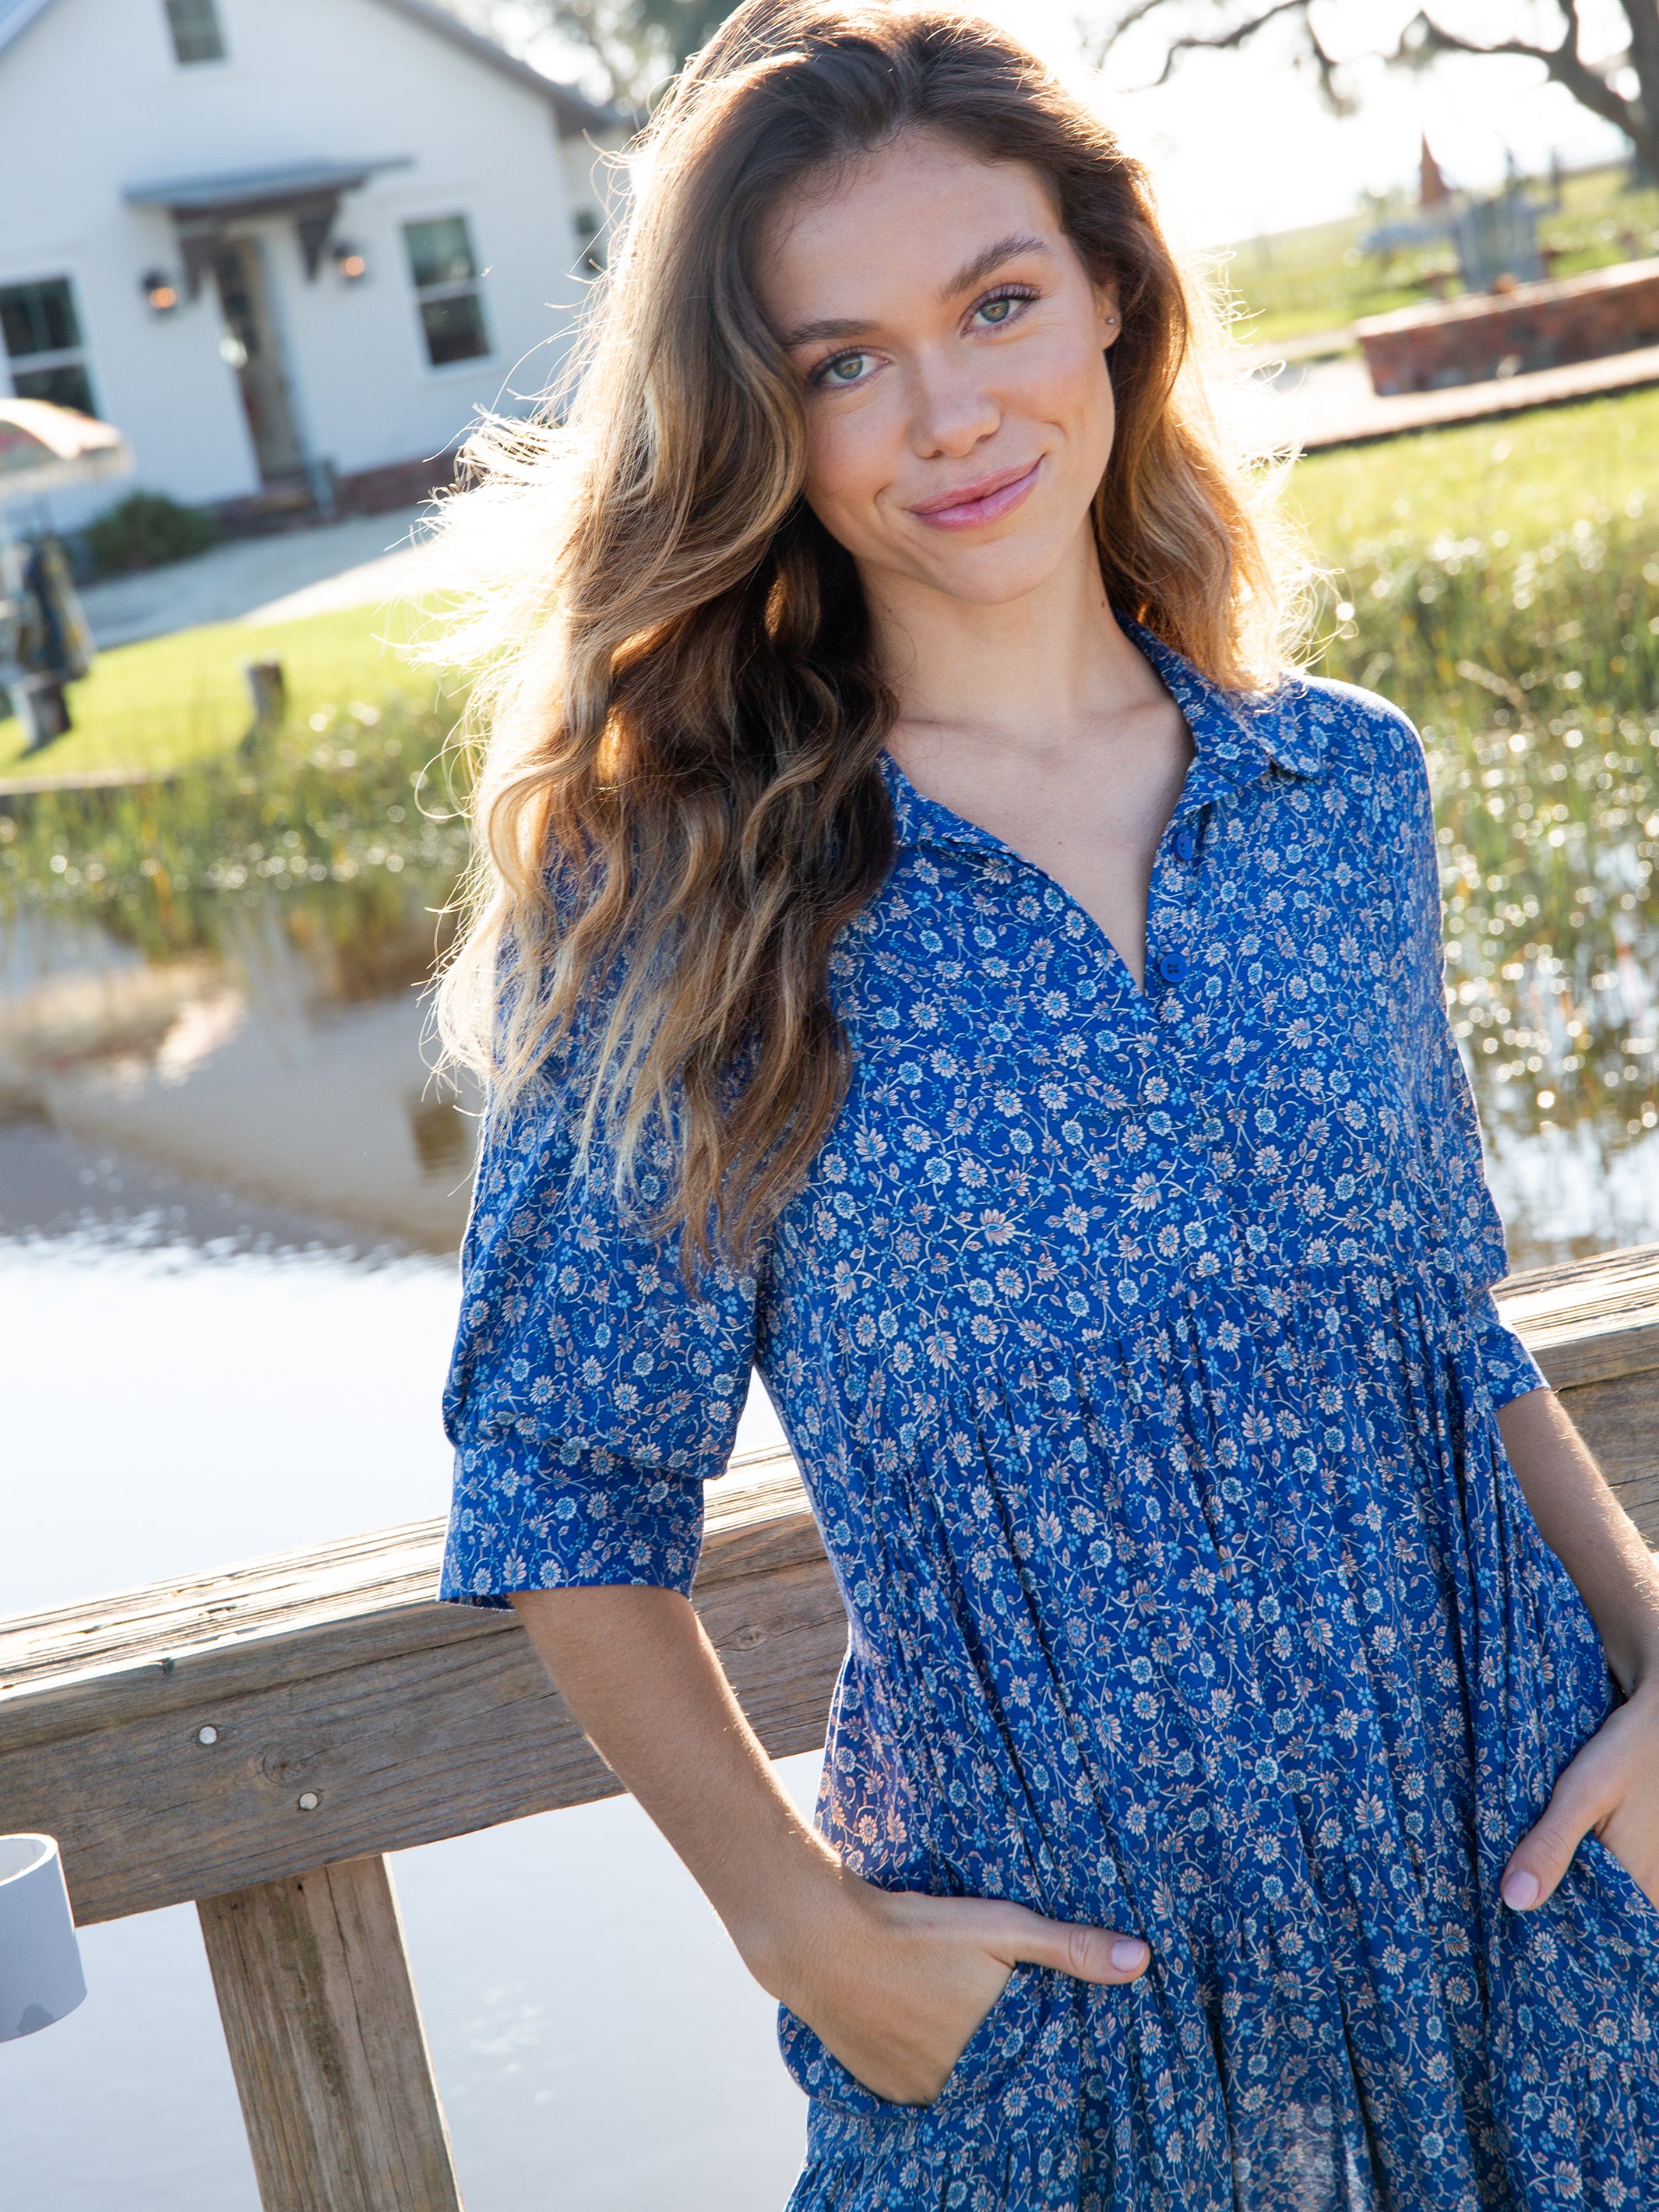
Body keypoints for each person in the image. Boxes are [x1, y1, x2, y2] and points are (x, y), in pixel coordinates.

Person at [432, 5, 1659, 2203]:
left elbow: (1440, 1329)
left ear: (1111, 292)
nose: (949, 409)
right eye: (842, 360)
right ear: (766, 421)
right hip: (1061, 2014)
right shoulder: (687, 896)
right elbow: (563, 1487)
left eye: (995, 302)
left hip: (1528, 1912)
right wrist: (797, 1930)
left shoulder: (1334, 789)